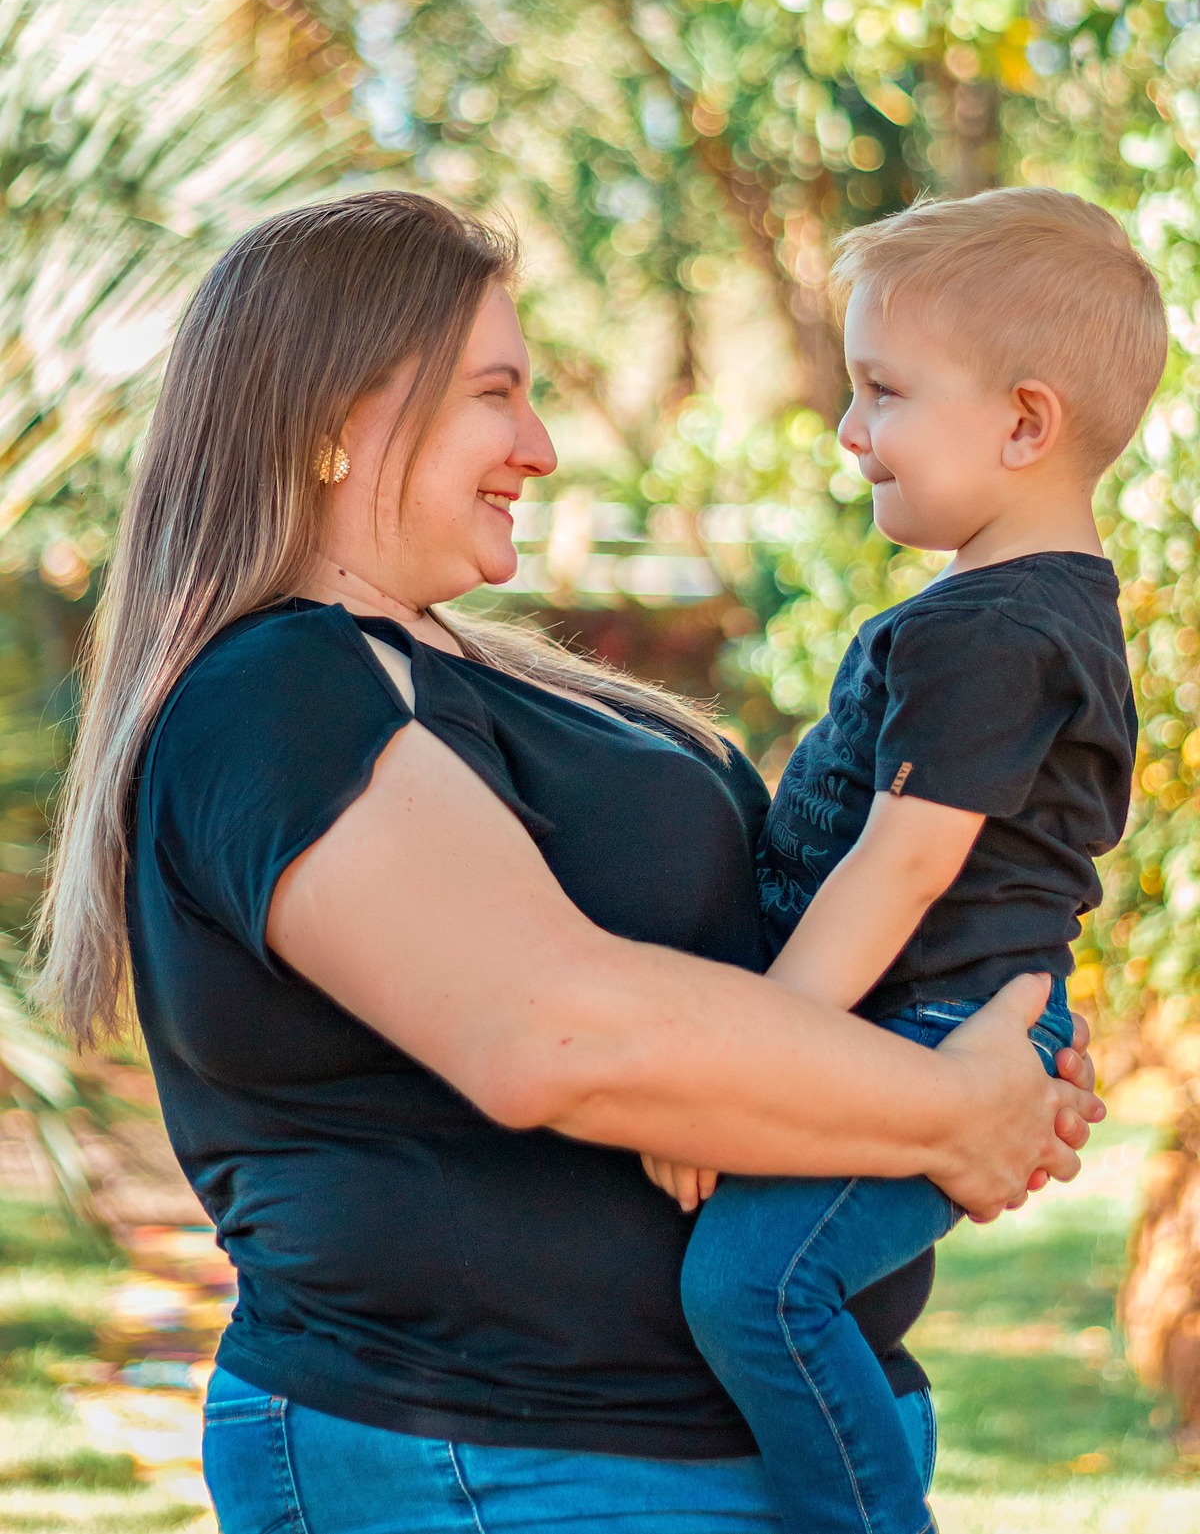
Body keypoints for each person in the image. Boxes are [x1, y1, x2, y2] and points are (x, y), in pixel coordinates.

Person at [33, 192, 1103, 1534]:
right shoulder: (281, 690)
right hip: (507, 1464)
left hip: (713, 1453)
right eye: (496, 394)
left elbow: (756, 966)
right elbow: (555, 1033)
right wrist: (952, 1106)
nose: (539, 447)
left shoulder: (468, 673)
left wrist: (993, 1031)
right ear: (326, 418)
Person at [646, 189, 1164, 1534]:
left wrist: (742, 1064)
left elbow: (901, 867)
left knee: (756, 1287)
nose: (848, 428)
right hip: (933, 1016)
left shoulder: (989, 629)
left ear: (1024, 422)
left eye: (883, 389)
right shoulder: (1031, 611)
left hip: (937, 1027)